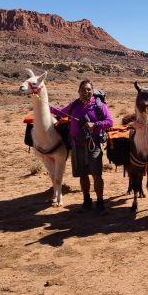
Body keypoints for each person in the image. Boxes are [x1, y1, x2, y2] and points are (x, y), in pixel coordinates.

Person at [50, 80, 113, 215]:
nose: (86, 92)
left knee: (97, 175)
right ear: (79, 91)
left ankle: (100, 203)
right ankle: (86, 201)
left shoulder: (99, 106)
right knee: (83, 175)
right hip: (77, 146)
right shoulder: (74, 105)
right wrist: (43, 103)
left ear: (92, 91)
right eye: (83, 89)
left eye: (89, 89)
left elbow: (109, 122)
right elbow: (61, 113)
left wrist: (95, 125)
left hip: (93, 145)